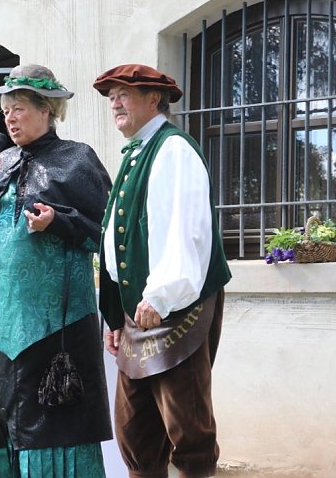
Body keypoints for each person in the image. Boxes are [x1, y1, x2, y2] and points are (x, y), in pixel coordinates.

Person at [0, 64, 113, 477]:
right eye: (6, 110)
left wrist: (58, 221)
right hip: (7, 323)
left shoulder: (77, 160)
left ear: (46, 110)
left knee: (54, 429)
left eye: (19, 108)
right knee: (13, 426)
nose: (9, 117)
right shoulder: (3, 162)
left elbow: (107, 235)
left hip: (57, 324)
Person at [94, 64, 232, 478]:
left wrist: (161, 293)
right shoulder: (137, 153)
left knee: (187, 425)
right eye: (112, 96)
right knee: (136, 431)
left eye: (124, 94)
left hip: (174, 306)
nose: (115, 102)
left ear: (154, 99)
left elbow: (187, 229)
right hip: (137, 315)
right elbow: (117, 242)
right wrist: (114, 314)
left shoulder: (174, 149)